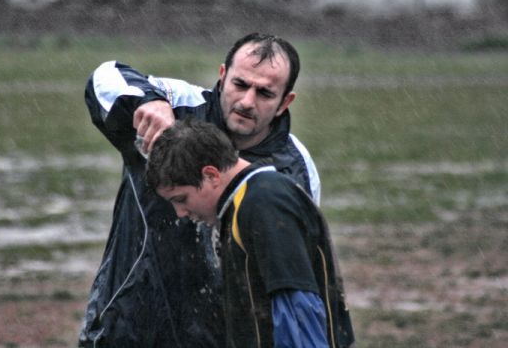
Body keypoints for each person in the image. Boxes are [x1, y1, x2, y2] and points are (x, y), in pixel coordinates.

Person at [80, 33, 321, 347]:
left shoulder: (294, 170)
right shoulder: (178, 109)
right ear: (222, 76)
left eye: (264, 93)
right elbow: (104, 78)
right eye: (240, 84)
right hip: (126, 327)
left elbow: (291, 279)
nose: (247, 102)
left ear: (284, 102)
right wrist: (148, 102)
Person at [147, 118, 355, 348]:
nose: (180, 213)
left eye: (181, 199)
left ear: (211, 176)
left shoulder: (264, 202)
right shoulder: (242, 204)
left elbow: (297, 307)